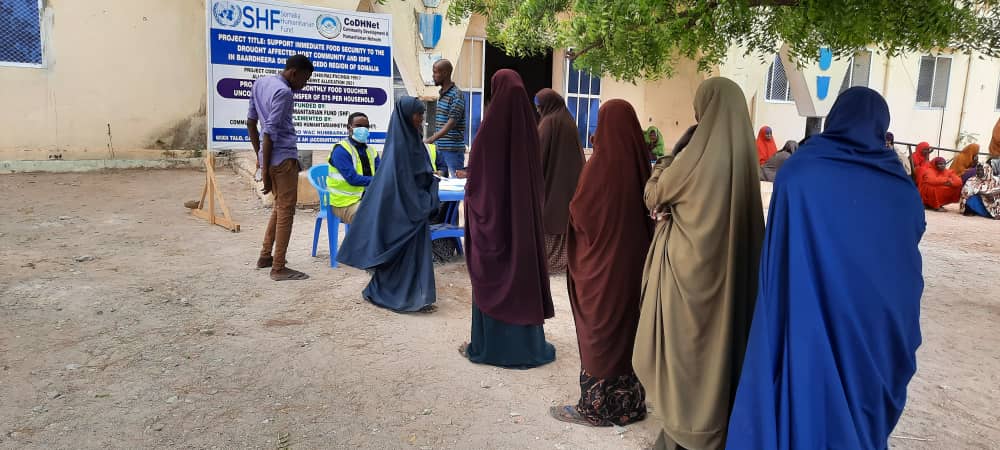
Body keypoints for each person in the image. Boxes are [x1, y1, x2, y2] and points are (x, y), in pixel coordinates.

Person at [727, 87, 924, 450]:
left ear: (835, 118)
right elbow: (905, 264)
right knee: (862, 419)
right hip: (875, 331)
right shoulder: (901, 189)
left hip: (805, 323)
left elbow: (778, 258)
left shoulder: (798, 174)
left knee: (806, 405)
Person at [633, 77, 765, 450]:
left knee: (688, 358)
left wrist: (665, 161)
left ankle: (689, 433)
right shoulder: (745, 156)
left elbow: (653, 194)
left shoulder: (695, 154)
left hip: (689, 278)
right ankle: (718, 427)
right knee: (722, 351)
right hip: (731, 274)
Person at [550, 100, 653, 427]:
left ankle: (596, 407)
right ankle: (629, 404)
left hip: (602, 270)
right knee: (625, 328)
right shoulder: (641, 163)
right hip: (632, 266)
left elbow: (581, 215)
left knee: (599, 330)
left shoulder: (599, 167)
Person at [459, 69, 556, 369]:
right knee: (521, 277)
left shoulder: (488, 132)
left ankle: (491, 346)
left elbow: (477, 186)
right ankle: (526, 347)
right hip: (523, 225)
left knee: (495, 275)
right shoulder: (530, 129)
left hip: (495, 226)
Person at [336, 97, 439, 313]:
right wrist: (429, 190)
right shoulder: (402, 147)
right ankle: (402, 296)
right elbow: (406, 180)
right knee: (405, 254)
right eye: (418, 114)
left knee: (414, 253)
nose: (421, 119)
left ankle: (417, 296)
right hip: (405, 209)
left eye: (422, 114)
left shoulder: (410, 140)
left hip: (411, 206)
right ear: (406, 116)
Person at [248, 54, 313, 282]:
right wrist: (264, 170)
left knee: (279, 207)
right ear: (294, 73)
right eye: (305, 80)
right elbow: (269, 132)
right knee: (286, 211)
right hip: (283, 159)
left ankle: (266, 256)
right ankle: (278, 267)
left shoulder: (260, 83)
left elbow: (251, 123)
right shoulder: (284, 92)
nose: (303, 86)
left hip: (270, 157)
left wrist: (260, 156)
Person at [535, 89, 585, 274]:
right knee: (563, 220)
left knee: (549, 218)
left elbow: (537, 157)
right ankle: (565, 262)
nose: (539, 111)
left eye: (540, 107)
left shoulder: (549, 123)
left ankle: (550, 263)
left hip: (551, 185)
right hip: (570, 184)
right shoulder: (568, 119)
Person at [326, 112, 380, 224]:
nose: (363, 129)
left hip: (367, 199)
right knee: (371, 217)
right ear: (349, 128)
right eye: (359, 126)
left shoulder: (371, 151)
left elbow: (382, 172)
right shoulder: (341, 150)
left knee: (396, 211)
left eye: (366, 126)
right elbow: (353, 179)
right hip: (343, 203)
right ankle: (361, 242)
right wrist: (379, 180)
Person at [424, 59, 467, 178]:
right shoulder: (442, 94)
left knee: (452, 187)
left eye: (435, 72)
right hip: (440, 149)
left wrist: (430, 139)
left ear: (446, 73)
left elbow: (451, 123)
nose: (433, 76)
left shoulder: (456, 95)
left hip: (452, 151)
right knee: (441, 184)